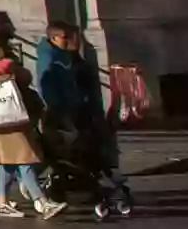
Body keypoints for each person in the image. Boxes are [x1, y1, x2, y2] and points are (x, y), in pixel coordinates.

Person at [0, 11, 60, 219]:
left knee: (9, 162)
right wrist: (10, 73)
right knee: (25, 157)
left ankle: (2, 202)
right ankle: (41, 201)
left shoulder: (1, 47)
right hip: (3, 114)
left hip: (12, 113)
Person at [37, 22, 124, 193]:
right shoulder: (51, 59)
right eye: (66, 37)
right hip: (64, 114)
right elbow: (49, 89)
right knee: (67, 150)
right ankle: (36, 181)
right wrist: (63, 111)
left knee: (84, 147)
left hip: (77, 111)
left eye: (75, 37)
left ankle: (87, 180)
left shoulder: (68, 57)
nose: (73, 41)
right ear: (54, 38)